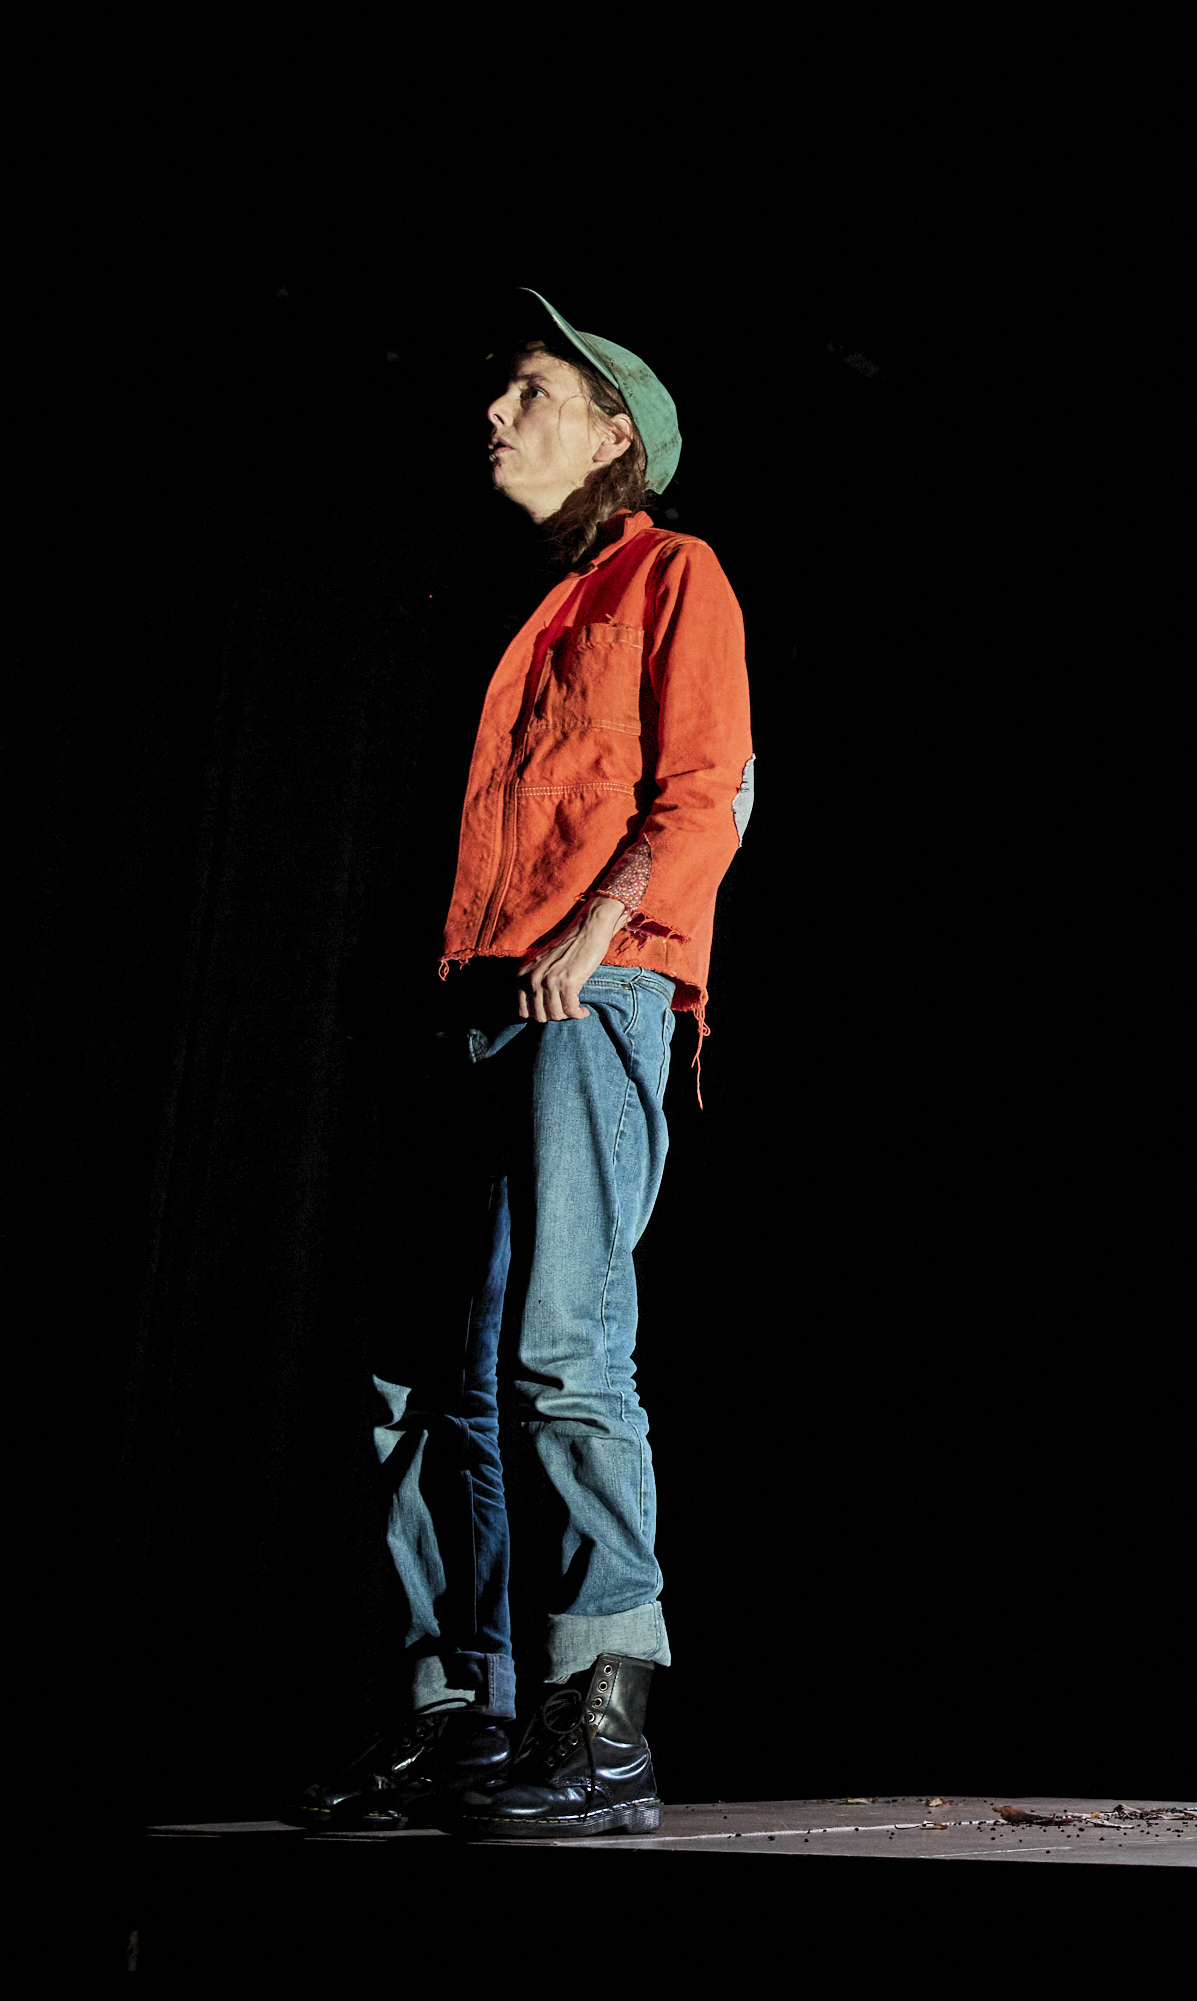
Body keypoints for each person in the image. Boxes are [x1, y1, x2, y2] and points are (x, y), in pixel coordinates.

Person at [284, 291, 754, 1838]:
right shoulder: (527, 607)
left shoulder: (675, 575)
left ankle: (604, 1701)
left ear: (614, 434)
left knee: (563, 1343)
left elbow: (707, 793)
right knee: (416, 1373)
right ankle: (458, 1708)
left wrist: (599, 925)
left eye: (532, 391)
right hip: (477, 1000)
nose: (497, 413)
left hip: (594, 992)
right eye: (499, 392)